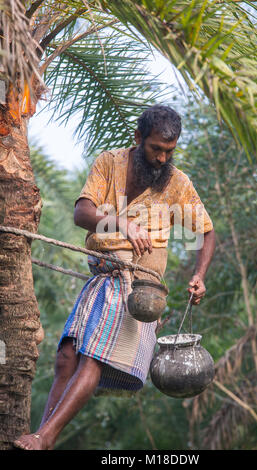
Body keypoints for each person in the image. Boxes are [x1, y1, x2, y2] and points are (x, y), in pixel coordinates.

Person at [14, 104, 215, 450]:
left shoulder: (178, 184)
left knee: (93, 356)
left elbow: (207, 233)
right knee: (66, 357)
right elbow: (82, 213)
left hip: (139, 290)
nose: (163, 159)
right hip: (101, 279)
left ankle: (44, 438)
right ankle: (42, 436)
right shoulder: (109, 163)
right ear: (138, 138)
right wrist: (121, 223)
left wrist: (200, 275)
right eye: (156, 149)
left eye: (170, 151)